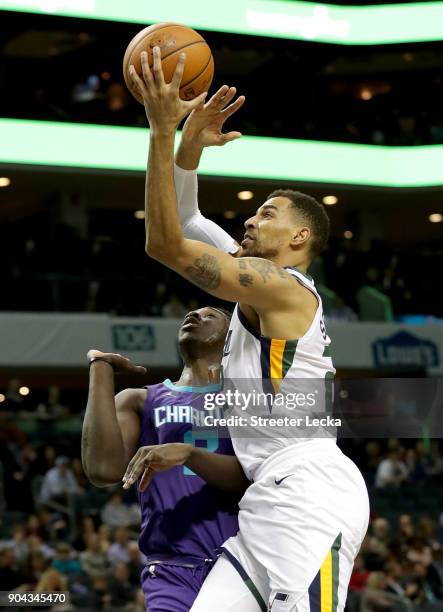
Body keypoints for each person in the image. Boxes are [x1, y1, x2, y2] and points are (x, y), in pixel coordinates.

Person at [126, 50, 370, 611]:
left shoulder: (283, 287)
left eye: (265, 214)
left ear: (300, 237)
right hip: (265, 499)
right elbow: (186, 221)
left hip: (309, 496)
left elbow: (164, 243)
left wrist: (161, 132)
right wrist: (188, 148)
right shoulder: (259, 284)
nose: (249, 220)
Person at [81, 306, 243, 611]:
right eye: (192, 314)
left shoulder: (247, 399)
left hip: (240, 563)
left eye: (210, 316)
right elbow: (102, 470)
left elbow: (251, 479)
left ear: (232, 337)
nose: (194, 316)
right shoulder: (140, 399)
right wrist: (100, 370)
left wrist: (189, 454)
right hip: (171, 567)